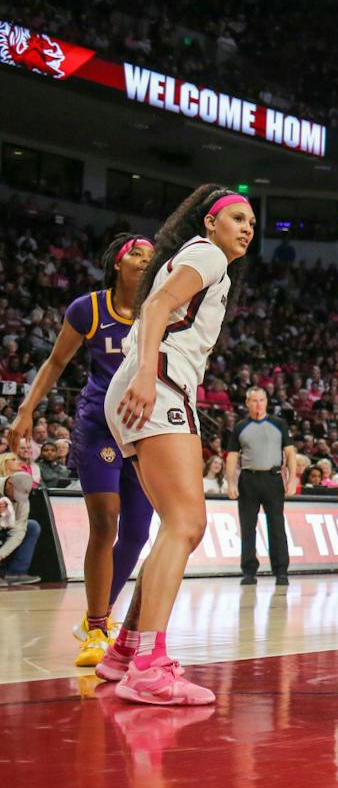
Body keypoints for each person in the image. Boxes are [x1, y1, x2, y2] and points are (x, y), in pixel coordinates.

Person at [95, 188, 255, 706]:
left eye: (252, 221)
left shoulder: (207, 260)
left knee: (176, 525)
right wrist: (146, 375)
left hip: (154, 381)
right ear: (210, 223)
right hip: (157, 381)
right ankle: (149, 665)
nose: (247, 227)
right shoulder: (206, 253)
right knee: (187, 523)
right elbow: (158, 305)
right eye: (236, 217)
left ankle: (124, 652)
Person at [6, 234, 155, 662]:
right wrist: (26, 411)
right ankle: (96, 629)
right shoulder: (87, 308)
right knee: (106, 522)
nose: (146, 262)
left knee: (138, 534)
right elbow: (55, 362)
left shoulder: (157, 311)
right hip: (98, 426)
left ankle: (98, 610)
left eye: (151, 256)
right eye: (137, 255)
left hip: (143, 430)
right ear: (118, 264)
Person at [225, 387, 296, 585]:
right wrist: (230, 482)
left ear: (266, 402)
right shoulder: (240, 427)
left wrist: (292, 479)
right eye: (254, 400)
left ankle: (281, 571)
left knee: (277, 526)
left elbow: (290, 453)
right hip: (249, 479)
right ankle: (249, 571)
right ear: (247, 403)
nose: (258, 404)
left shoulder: (279, 424)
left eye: (261, 400)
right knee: (248, 527)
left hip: (273, 479)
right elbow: (231, 457)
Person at [0, 452, 42, 586]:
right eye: (16, 494)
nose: (18, 499)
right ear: (9, 485)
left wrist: (1, 554)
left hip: (6, 528)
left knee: (31, 526)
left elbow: (18, 531)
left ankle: (15, 573)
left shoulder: (23, 496)